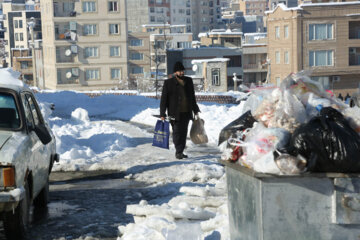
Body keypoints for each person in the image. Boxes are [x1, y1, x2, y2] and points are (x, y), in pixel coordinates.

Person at [160, 61, 200, 159]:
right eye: (179, 71)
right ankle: (178, 151)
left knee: (184, 132)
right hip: (174, 113)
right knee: (177, 132)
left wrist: (195, 109)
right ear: (175, 72)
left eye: (182, 70)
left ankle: (180, 151)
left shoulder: (189, 81)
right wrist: (162, 113)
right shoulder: (168, 83)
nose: (182, 72)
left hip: (186, 112)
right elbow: (164, 99)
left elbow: (192, 97)